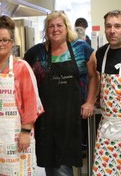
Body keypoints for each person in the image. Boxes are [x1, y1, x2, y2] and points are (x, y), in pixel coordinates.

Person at [24, 11, 98, 176]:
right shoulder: (36, 53)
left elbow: (94, 76)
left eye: (59, 25)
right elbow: (22, 74)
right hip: (46, 119)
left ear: (66, 28)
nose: (55, 29)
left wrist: (90, 101)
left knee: (63, 167)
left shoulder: (82, 48)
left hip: (72, 116)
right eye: (51, 26)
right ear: (46, 30)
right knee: (52, 165)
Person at [0, 15, 44, 175]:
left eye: (5, 40)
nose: (1, 44)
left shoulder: (22, 67)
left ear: (12, 42)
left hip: (13, 138)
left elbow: (31, 103)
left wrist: (26, 132)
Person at [93, 10, 121, 175]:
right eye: (108, 26)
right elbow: (95, 79)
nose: (112, 30)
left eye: (118, 26)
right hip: (106, 127)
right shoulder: (101, 53)